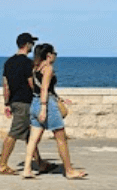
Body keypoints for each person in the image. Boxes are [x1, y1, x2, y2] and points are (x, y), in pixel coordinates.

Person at [22, 43, 86, 180]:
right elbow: (44, 89)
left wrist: (59, 99)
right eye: (54, 54)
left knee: (33, 139)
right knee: (61, 138)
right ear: (49, 55)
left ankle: (27, 169)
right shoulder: (48, 68)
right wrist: (44, 108)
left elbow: (36, 88)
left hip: (34, 102)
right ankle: (69, 170)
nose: (55, 56)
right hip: (46, 105)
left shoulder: (35, 68)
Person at [0, 32, 53, 176]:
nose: (32, 46)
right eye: (31, 44)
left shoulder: (8, 62)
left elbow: (6, 85)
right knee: (14, 134)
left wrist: (7, 103)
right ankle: (2, 165)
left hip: (14, 101)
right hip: (25, 102)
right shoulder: (28, 63)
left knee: (29, 135)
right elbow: (31, 82)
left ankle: (40, 163)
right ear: (27, 45)